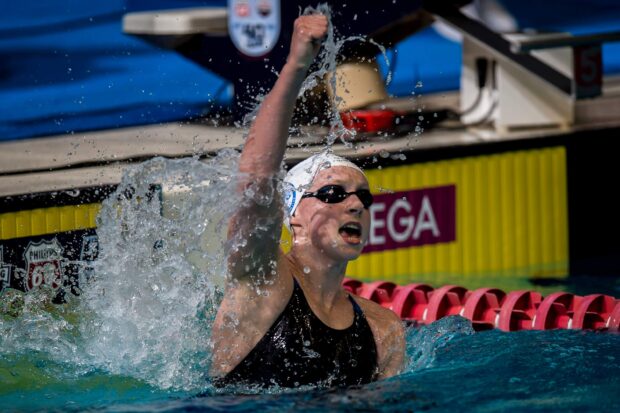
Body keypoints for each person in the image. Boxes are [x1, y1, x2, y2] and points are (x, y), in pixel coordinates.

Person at [210, 14, 405, 389]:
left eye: (363, 197)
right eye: (333, 194)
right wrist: (296, 66)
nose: (355, 206)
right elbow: (255, 181)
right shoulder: (262, 283)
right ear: (293, 215)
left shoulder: (385, 329)